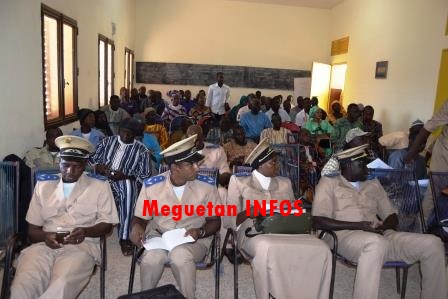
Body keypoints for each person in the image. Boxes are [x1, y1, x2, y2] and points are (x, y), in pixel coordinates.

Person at [312, 144, 447, 299]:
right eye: (362, 164)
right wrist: (359, 226)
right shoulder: (329, 183)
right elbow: (318, 220)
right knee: (375, 243)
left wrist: (383, 226)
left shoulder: (373, 183)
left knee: (433, 244)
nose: (367, 168)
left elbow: (392, 216)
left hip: (381, 234)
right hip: (344, 236)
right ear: (348, 165)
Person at [10, 135, 119, 299]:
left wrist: (85, 231)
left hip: (82, 245)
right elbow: (32, 231)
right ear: (59, 162)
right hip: (44, 245)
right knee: (24, 283)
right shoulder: (43, 185)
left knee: (61, 284)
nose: (70, 171)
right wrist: (46, 236)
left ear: (84, 166)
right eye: (65, 165)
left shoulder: (100, 186)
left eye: (76, 166)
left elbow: (107, 225)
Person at [224, 138, 332, 299]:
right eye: (273, 162)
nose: (278, 165)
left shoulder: (284, 183)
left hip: (286, 230)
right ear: (260, 165)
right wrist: (247, 212)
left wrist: (299, 205)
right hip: (253, 233)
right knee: (269, 247)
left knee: (321, 249)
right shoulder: (239, 182)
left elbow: (292, 212)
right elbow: (228, 220)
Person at [130, 134, 222, 299]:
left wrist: (200, 232)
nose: (197, 168)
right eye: (191, 164)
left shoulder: (207, 186)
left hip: (194, 239)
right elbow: (141, 218)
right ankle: (146, 296)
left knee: (179, 256)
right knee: (151, 259)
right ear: (175, 168)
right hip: (160, 236)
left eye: (197, 163)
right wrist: (136, 228)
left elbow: (215, 221)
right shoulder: (152, 185)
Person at [90, 118, 152, 256]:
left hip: (124, 181)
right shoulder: (107, 141)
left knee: (128, 189)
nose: (126, 136)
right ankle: (91, 231)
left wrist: (125, 176)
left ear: (135, 135)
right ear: (118, 130)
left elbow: (145, 175)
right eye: (123, 132)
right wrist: (98, 167)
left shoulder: (141, 150)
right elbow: (92, 160)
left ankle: (124, 237)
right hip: (102, 179)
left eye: (130, 134)